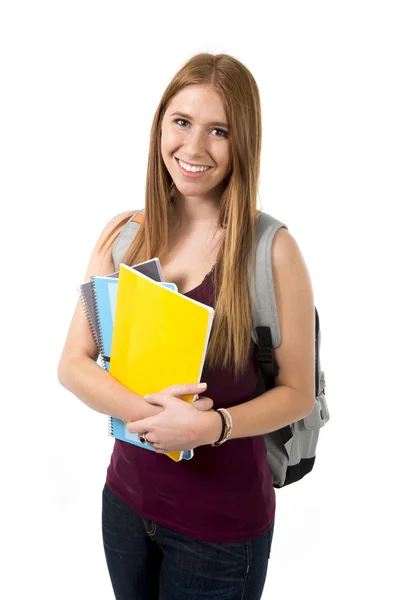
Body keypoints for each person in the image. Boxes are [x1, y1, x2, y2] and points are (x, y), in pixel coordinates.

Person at [58, 52, 315, 600]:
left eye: (218, 130)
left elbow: (297, 394)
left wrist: (209, 427)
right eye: (182, 122)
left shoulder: (274, 252)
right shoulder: (125, 234)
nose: (193, 148)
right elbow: (72, 363)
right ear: (160, 126)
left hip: (222, 534)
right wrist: (152, 417)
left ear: (242, 142)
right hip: (126, 506)